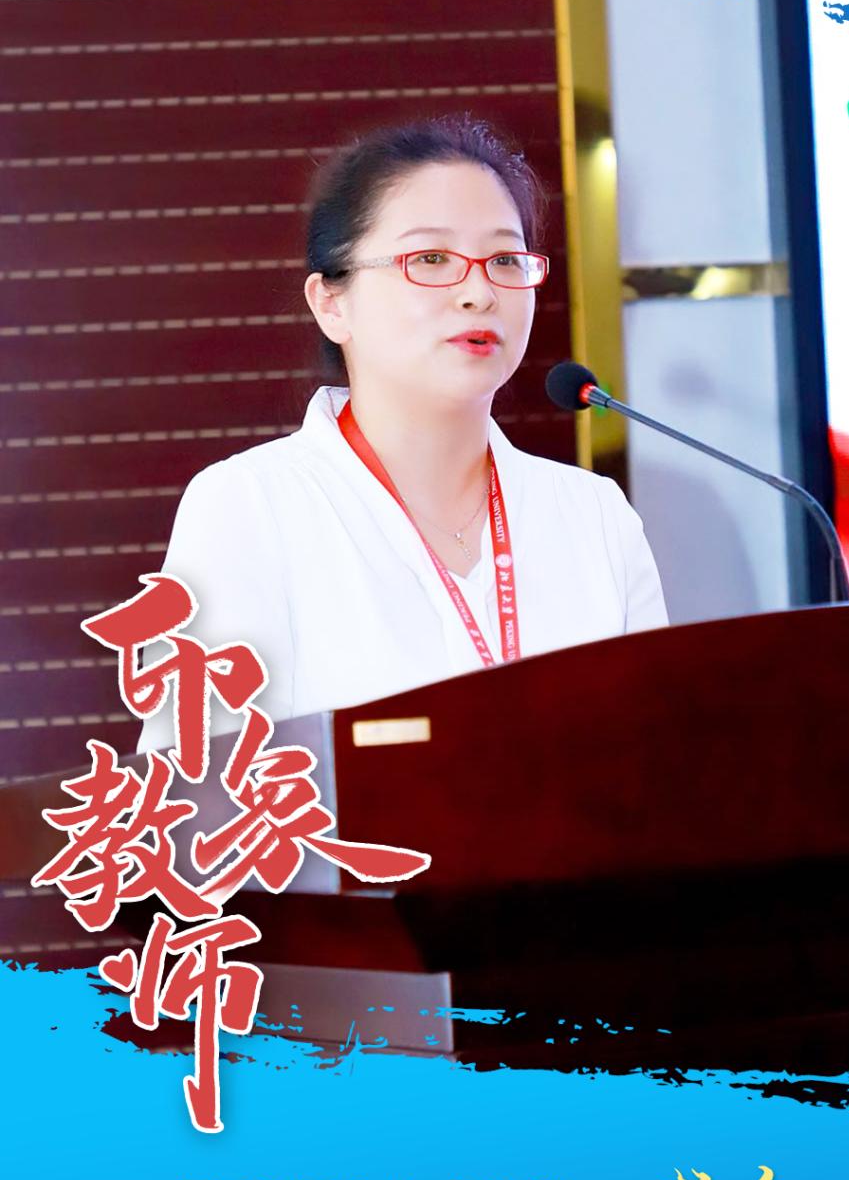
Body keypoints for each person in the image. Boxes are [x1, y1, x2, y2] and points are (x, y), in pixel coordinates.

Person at [138, 116, 667, 746]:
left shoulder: (594, 516)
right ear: (332, 303)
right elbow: (197, 784)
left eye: (504, 259)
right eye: (432, 259)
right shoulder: (249, 506)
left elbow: (657, 759)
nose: (478, 292)